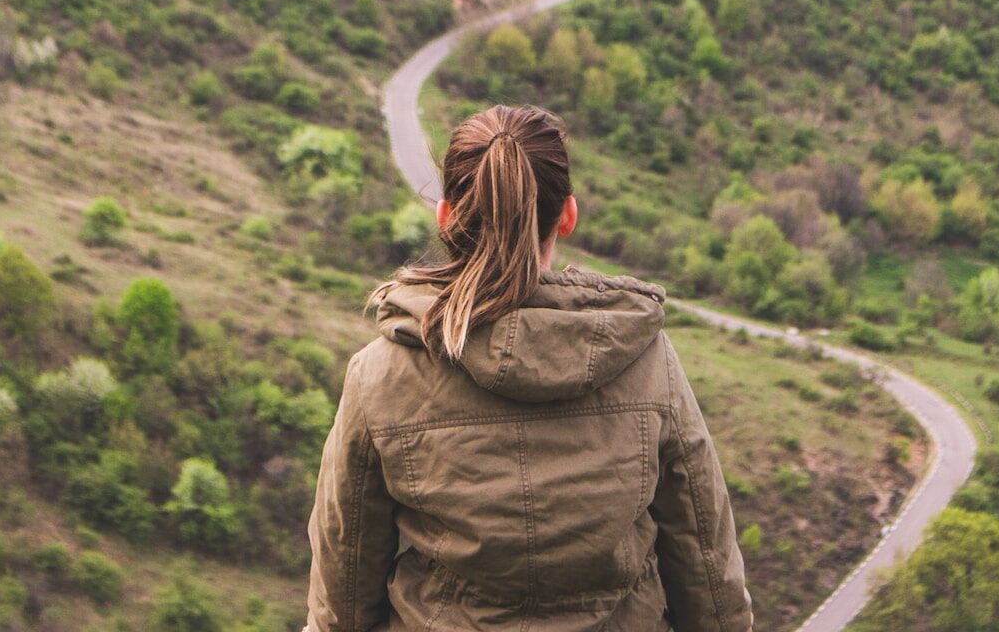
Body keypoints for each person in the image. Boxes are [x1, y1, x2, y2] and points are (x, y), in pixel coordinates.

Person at [306, 104, 752, 632]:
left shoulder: (379, 375)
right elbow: (707, 570)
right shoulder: (647, 360)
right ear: (567, 214)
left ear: (446, 216)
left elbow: (343, 593)